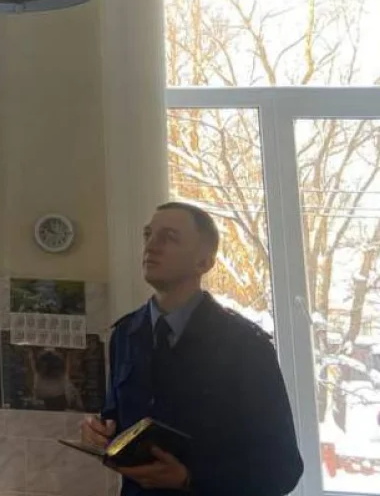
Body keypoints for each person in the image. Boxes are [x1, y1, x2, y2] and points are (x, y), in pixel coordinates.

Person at [81, 201, 303, 496]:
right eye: (148, 234)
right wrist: (100, 432)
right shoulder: (126, 334)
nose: (151, 246)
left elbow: (283, 469)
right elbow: (117, 422)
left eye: (169, 237)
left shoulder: (245, 346)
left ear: (204, 262)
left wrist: (190, 477)